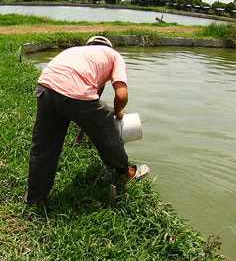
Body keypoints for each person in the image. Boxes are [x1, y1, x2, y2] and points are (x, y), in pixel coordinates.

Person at [24, 35, 149, 205]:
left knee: (43, 147)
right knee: (107, 126)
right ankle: (126, 173)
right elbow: (121, 95)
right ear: (110, 48)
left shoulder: (77, 51)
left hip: (46, 88)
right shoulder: (114, 56)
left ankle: (34, 199)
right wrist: (118, 112)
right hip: (74, 92)